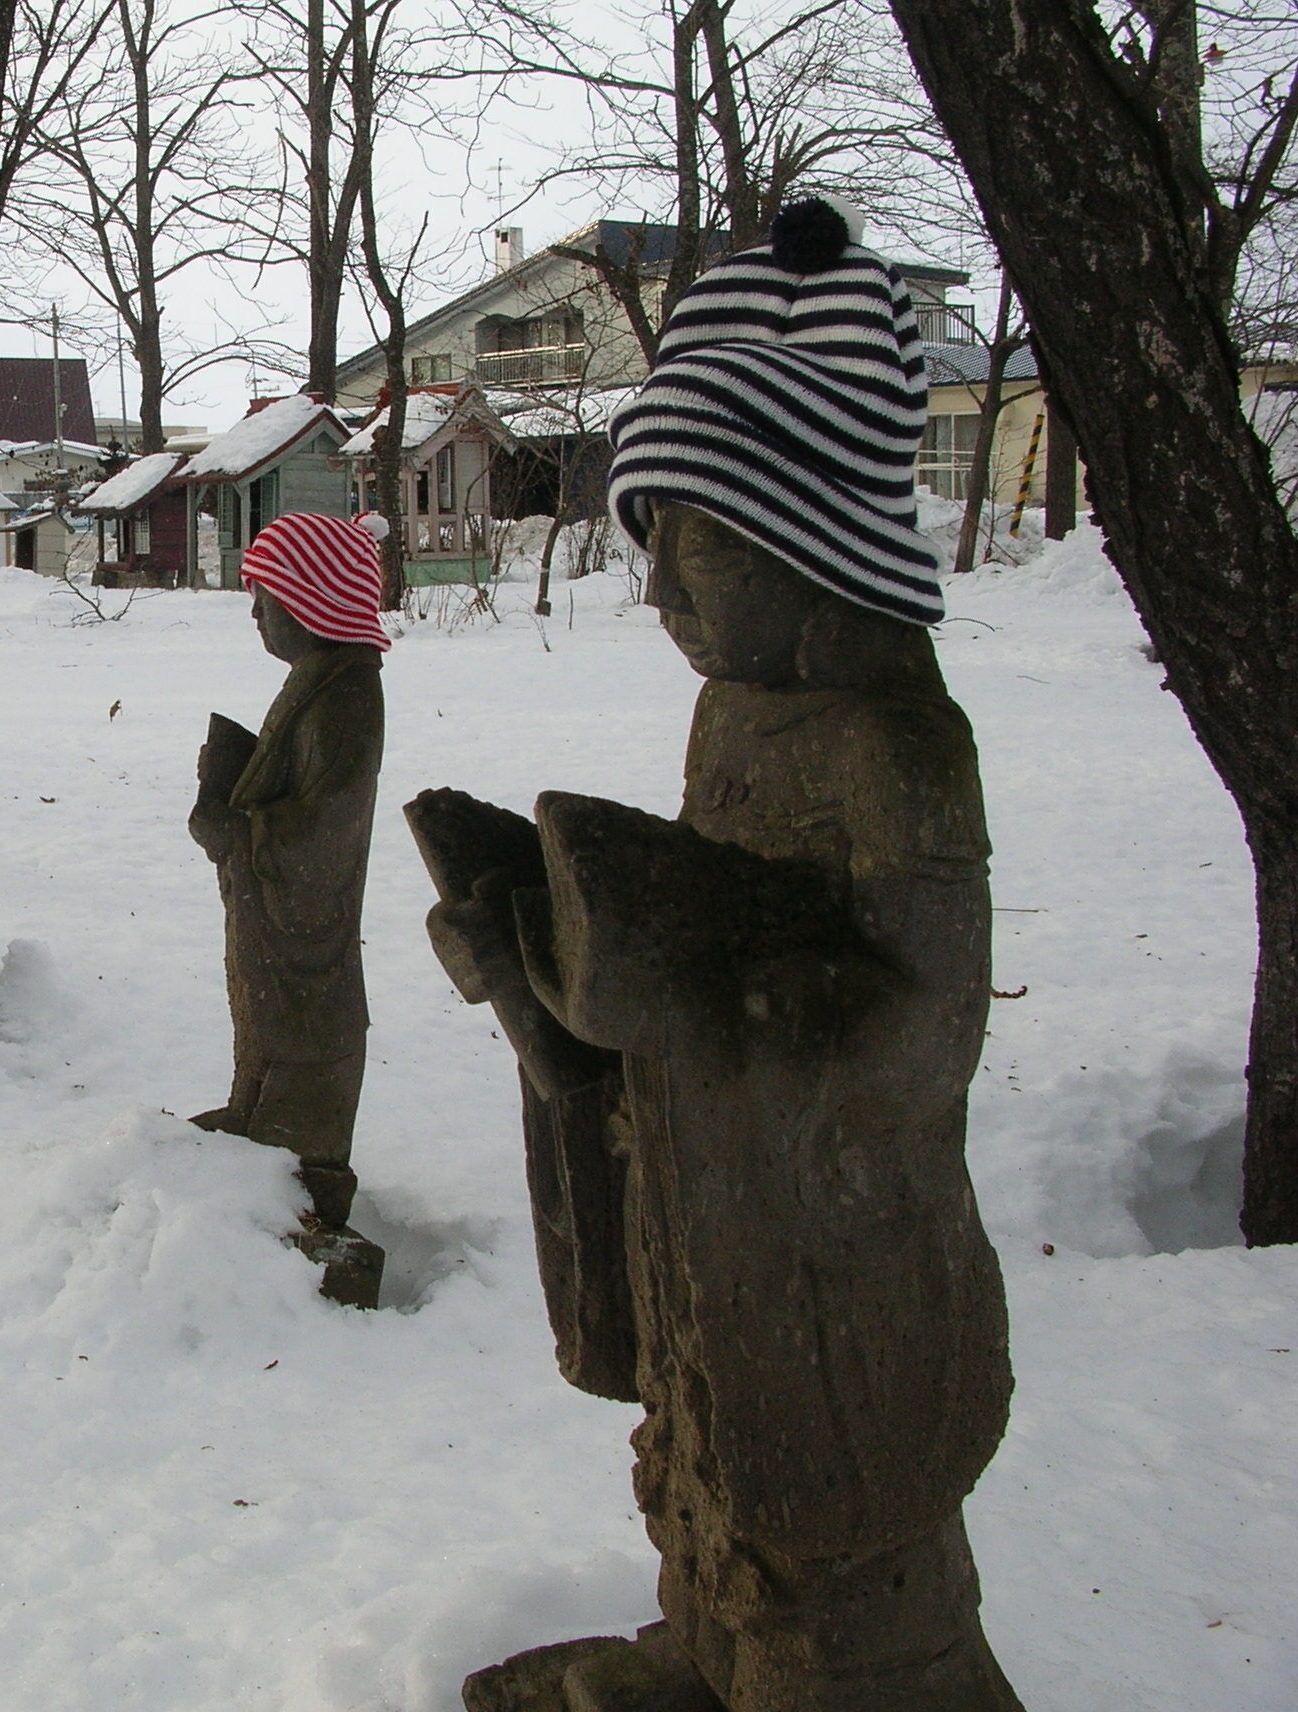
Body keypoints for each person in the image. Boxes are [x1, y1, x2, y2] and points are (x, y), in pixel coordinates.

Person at [413, 199, 1024, 1711]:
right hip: (708, 1208)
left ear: (813, 541)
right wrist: (543, 982)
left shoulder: (900, 752)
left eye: (701, 555)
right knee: (704, 1460)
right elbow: (680, 939)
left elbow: (917, 1033)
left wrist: (691, 976)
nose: (668, 599)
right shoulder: (734, 715)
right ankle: (712, 1644)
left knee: (829, 1562)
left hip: (835, 1256)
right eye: (655, 555)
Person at [191, 511, 388, 1291]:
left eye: (265, 596)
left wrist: (243, 830)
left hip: (308, 921)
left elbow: (329, 821)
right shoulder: (317, 682)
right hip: (277, 921)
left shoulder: (345, 699)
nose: (254, 613)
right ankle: (256, 1115)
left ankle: (305, 1171)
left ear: (311, 600)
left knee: (302, 1026)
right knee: (267, 1014)